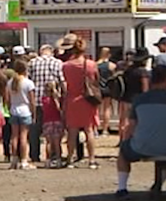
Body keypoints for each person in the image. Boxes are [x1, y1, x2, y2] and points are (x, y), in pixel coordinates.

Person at [114, 64, 166, 198]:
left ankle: (122, 188)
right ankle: (158, 185)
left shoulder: (139, 99)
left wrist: (126, 141)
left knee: (123, 153)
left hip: (141, 146)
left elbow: (131, 125)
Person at [61, 36, 100, 169]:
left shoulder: (66, 66)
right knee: (89, 130)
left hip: (72, 99)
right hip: (87, 99)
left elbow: (65, 83)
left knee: (72, 131)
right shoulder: (90, 64)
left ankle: (70, 159)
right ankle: (92, 159)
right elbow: (95, 80)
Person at [26, 44, 65, 164]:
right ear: (51, 52)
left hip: (36, 100)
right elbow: (62, 81)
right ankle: (54, 155)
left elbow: (28, 80)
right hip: (52, 101)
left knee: (35, 130)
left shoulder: (32, 62)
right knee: (54, 132)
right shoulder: (58, 63)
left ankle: (34, 155)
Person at [6, 60, 37, 170]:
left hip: (14, 109)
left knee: (14, 136)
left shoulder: (10, 82)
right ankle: (24, 160)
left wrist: (9, 109)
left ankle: (14, 159)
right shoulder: (28, 83)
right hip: (25, 110)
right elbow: (32, 100)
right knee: (24, 137)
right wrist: (34, 113)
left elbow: (7, 99)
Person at [117, 47, 151, 137]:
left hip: (125, 99)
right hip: (138, 101)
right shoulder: (143, 72)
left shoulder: (128, 70)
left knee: (124, 121)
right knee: (137, 122)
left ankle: (123, 139)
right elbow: (145, 89)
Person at [40, 81, 65, 169]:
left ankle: (48, 160)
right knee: (57, 143)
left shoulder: (44, 99)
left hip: (47, 121)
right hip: (57, 121)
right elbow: (59, 109)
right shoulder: (57, 99)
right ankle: (58, 159)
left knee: (49, 142)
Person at [96, 46, 116, 135]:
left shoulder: (96, 64)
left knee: (96, 110)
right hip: (108, 88)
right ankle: (105, 129)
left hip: (98, 88)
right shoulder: (111, 65)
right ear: (109, 55)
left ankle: (95, 129)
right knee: (106, 109)